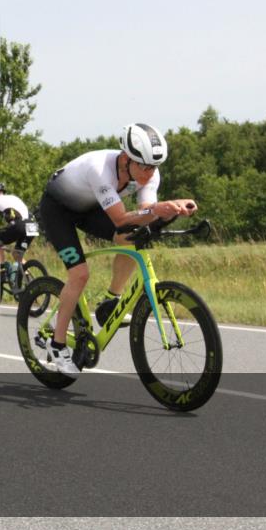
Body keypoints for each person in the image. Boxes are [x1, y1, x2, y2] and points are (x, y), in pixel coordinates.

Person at [38, 123, 197, 376]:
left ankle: (110, 300)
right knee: (79, 274)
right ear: (126, 158)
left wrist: (173, 210)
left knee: (132, 238)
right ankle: (57, 345)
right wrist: (156, 210)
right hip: (58, 210)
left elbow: (143, 216)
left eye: (154, 167)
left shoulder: (150, 174)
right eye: (143, 166)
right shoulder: (99, 169)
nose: (149, 173)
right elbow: (122, 219)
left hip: (90, 208)